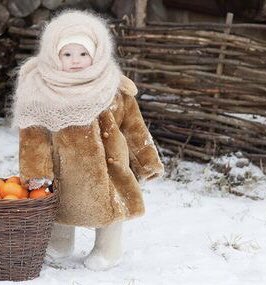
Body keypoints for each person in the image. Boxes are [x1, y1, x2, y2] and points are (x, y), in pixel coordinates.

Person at [12, 9, 164, 271]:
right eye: (67, 54)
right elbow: (33, 138)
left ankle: (108, 249)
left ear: (97, 53)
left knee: (110, 208)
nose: (76, 61)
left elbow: (134, 127)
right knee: (59, 207)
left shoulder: (114, 87)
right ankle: (59, 245)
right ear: (52, 54)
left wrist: (147, 162)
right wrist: (36, 171)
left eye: (84, 54)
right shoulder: (40, 91)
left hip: (108, 167)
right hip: (64, 170)